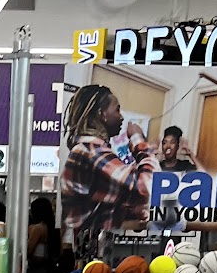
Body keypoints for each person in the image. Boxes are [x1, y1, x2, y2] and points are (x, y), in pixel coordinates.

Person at [59, 81, 159, 261]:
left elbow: (109, 200)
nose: (122, 117)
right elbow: (149, 185)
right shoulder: (91, 151)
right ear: (102, 114)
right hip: (91, 256)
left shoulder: (88, 151)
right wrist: (138, 141)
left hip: (89, 253)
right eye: (117, 110)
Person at [24, 194, 63, 273]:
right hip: (51, 271)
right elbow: (60, 251)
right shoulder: (55, 229)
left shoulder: (38, 228)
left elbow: (28, 250)